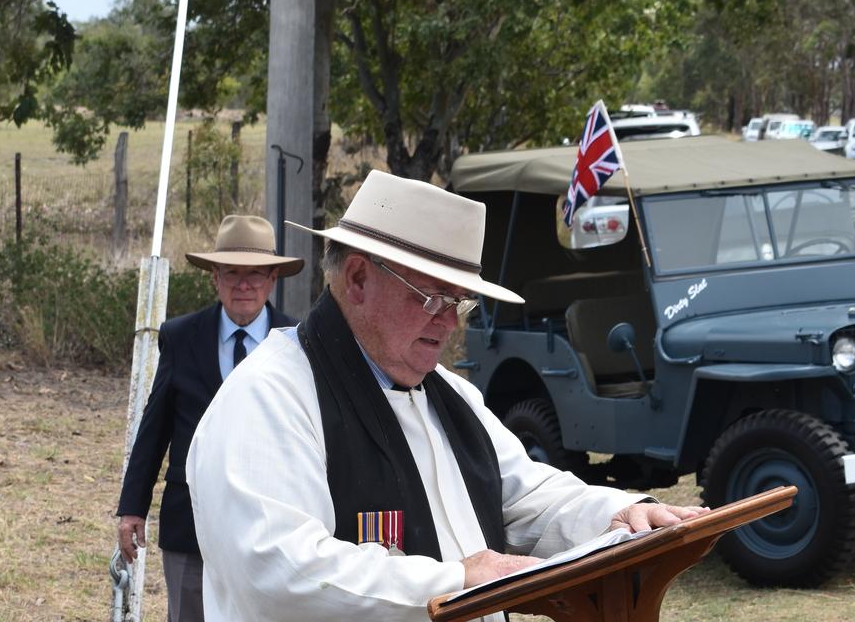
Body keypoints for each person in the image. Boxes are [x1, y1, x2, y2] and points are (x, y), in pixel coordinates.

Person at [186, 171, 705, 622]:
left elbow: (526, 496)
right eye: (432, 296)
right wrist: (457, 579)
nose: (447, 321)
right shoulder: (267, 398)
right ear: (359, 278)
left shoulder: (450, 395)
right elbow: (280, 572)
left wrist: (620, 515)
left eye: (460, 302)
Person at [116, 214, 303, 622]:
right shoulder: (180, 337)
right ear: (214, 278)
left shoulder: (296, 343)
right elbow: (155, 428)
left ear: (273, 279)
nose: (244, 285)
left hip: (273, 523)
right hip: (191, 522)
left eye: (255, 274)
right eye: (232, 273)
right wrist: (133, 506)